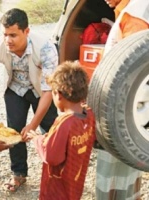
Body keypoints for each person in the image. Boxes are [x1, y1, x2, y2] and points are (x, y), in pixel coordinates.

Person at [0, 8, 58, 192]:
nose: (8, 40)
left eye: (13, 35)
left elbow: (48, 90)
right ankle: (19, 173)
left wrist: (33, 125)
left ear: (26, 31)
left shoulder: (45, 47)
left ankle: (55, 173)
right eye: (5, 35)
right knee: (13, 132)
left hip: (41, 91)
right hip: (15, 89)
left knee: (52, 132)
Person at [96, 0, 149, 199]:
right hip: (132, 106)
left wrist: (102, 100)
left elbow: (132, 69)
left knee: (114, 165)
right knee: (129, 163)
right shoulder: (135, 8)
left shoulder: (135, 15)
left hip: (121, 105)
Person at [25, 61, 96, 200]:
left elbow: (51, 156)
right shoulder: (89, 115)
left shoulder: (64, 123)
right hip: (75, 182)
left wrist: (37, 139)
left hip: (57, 190)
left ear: (58, 94)